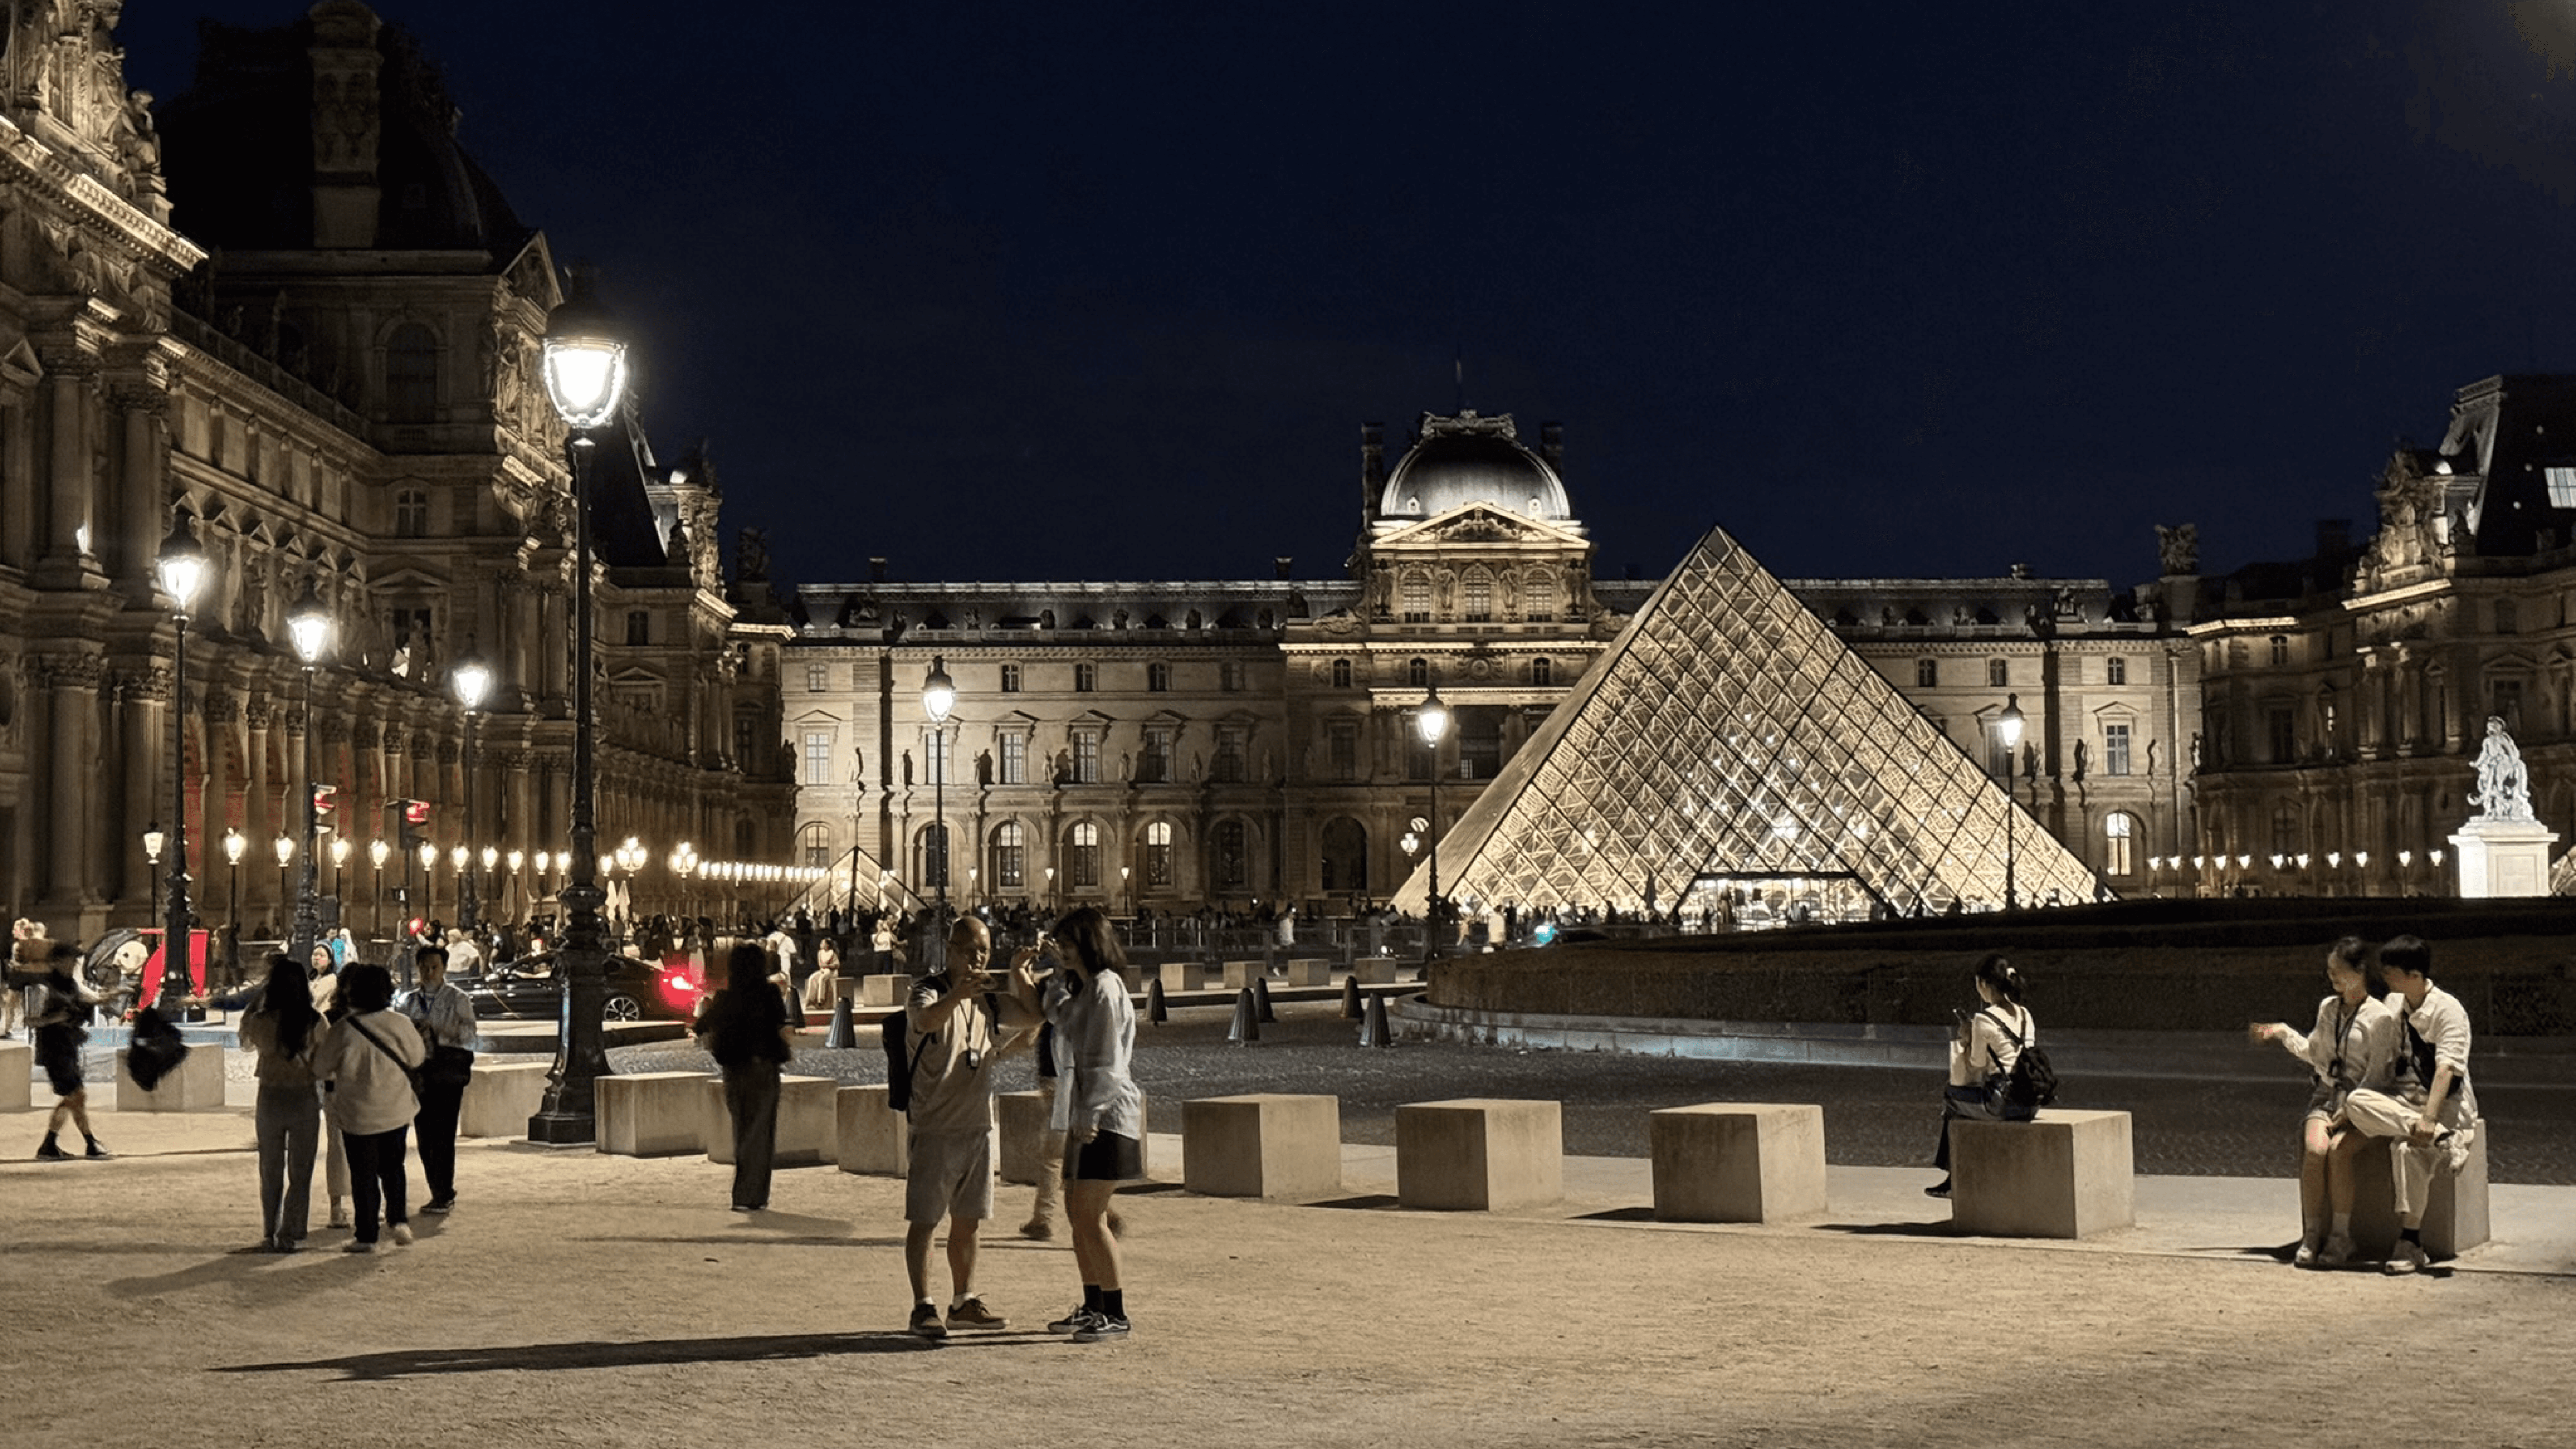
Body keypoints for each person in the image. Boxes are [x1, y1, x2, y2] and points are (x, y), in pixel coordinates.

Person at [902, 915, 1040, 1339]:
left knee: (969, 1220)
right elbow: (924, 1021)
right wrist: (959, 993)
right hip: (935, 1125)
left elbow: (1035, 1018)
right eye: (969, 950)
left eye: (984, 951)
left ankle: (963, 1301)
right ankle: (922, 1306)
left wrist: (1018, 974)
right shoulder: (928, 990)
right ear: (950, 949)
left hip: (977, 1125)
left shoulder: (990, 1001)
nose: (978, 958)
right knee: (925, 1219)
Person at [2331, 935, 2478, 1275]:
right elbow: (2380, 1066)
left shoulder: (2448, 1010)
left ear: (2414, 976)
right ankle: (2443, 1137)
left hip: (2440, 1107)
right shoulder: (2394, 1005)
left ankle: (2410, 1242)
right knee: (2356, 1100)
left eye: (2392, 972)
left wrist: (2430, 1119)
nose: (2385, 978)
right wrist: (2355, 1108)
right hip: (2403, 1105)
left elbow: (2448, 1069)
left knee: (2408, 1150)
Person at [1030, 906, 1143, 1343]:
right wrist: (1043, 975)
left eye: (1067, 942)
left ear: (1088, 943)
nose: (1060, 948)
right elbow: (1059, 1016)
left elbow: (1105, 1060)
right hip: (1088, 1113)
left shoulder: (1105, 988)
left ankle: (1115, 1312)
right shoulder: (1087, 988)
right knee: (1079, 1215)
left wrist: (1089, 1116)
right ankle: (1094, 1305)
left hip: (1107, 1116)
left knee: (1090, 1216)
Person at [2249, 935, 2397, 1267]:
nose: (2331, 977)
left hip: (2364, 1102)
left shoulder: (2380, 1017)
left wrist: (2352, 1109)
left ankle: (2341, 1237)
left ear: (2359, 972)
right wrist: (2284, 1033)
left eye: (2337, 971)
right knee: (2316, 1150)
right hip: (2327, 1095)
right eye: (2330, 971)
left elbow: (2378, 1075)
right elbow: (2317, 1055)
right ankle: (2312, 1234)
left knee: (2339, 1152)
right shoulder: (2328, 1009)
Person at [314, 964, 426, 1254]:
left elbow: (323, 1068)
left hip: (357, 1113)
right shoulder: (401, 1023)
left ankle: (367, 1234)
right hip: (395, 1110)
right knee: (393, 1168)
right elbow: (417, 1058)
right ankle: (399, 1220)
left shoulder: (343, 1030)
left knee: (363, 1174)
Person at [693, 943, 795, 1213]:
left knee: (743, 1129)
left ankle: (744, 1193)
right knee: (762, 1132)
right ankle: (755, 1194)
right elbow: (781, 1023)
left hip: (735, 1069)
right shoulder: (769, 994)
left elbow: (701, 1025)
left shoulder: (726, 998)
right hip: (764, 1066)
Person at [1924, 953, 2036, 1199]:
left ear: (1983, 984)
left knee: (1952, 1098)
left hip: (2001, 1102)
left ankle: (1953, 1177)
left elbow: (1977, 1064)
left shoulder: (1984, 1019)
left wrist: (1967, 1038)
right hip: (2028, 1101)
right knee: (1958, 1102)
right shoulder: (2026, 1015)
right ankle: (1953, 1179)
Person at [238, 953, 324, 1251]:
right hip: (304, 1097)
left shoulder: (263, 1022)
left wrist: (260, 997)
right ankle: (292, 1231)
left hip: (271, 1097)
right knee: (301, 1170)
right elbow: (325, 1064)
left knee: (270, 1168)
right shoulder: (315, 1021)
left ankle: (268, 1232)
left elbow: (245, 1040)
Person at [396, 944, 478, 1216]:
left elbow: (469, 1036)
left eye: (435, 967)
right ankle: (437, 1189)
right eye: (425, 967)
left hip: (447, 1073)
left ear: (444, 969)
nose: (430, 973)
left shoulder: (458, 999)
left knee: (443, 1134)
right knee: (424, 1134)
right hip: (419, 1074)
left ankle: (444, 1192)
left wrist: (438, 1033)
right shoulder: (407, 1001)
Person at [29, 941, 108, 1161]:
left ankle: (50, 1145)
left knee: (74, 1097)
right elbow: (31, 1020)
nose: (73, 964)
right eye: (69, 960)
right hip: (53, 1049)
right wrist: (54, 1019)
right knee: (76, 1096)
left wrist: (117, 994)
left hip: (68, 1046)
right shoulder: (44, 988)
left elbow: (95, 998)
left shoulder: (71, 985)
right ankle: (91, 1143)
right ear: (56, 963)